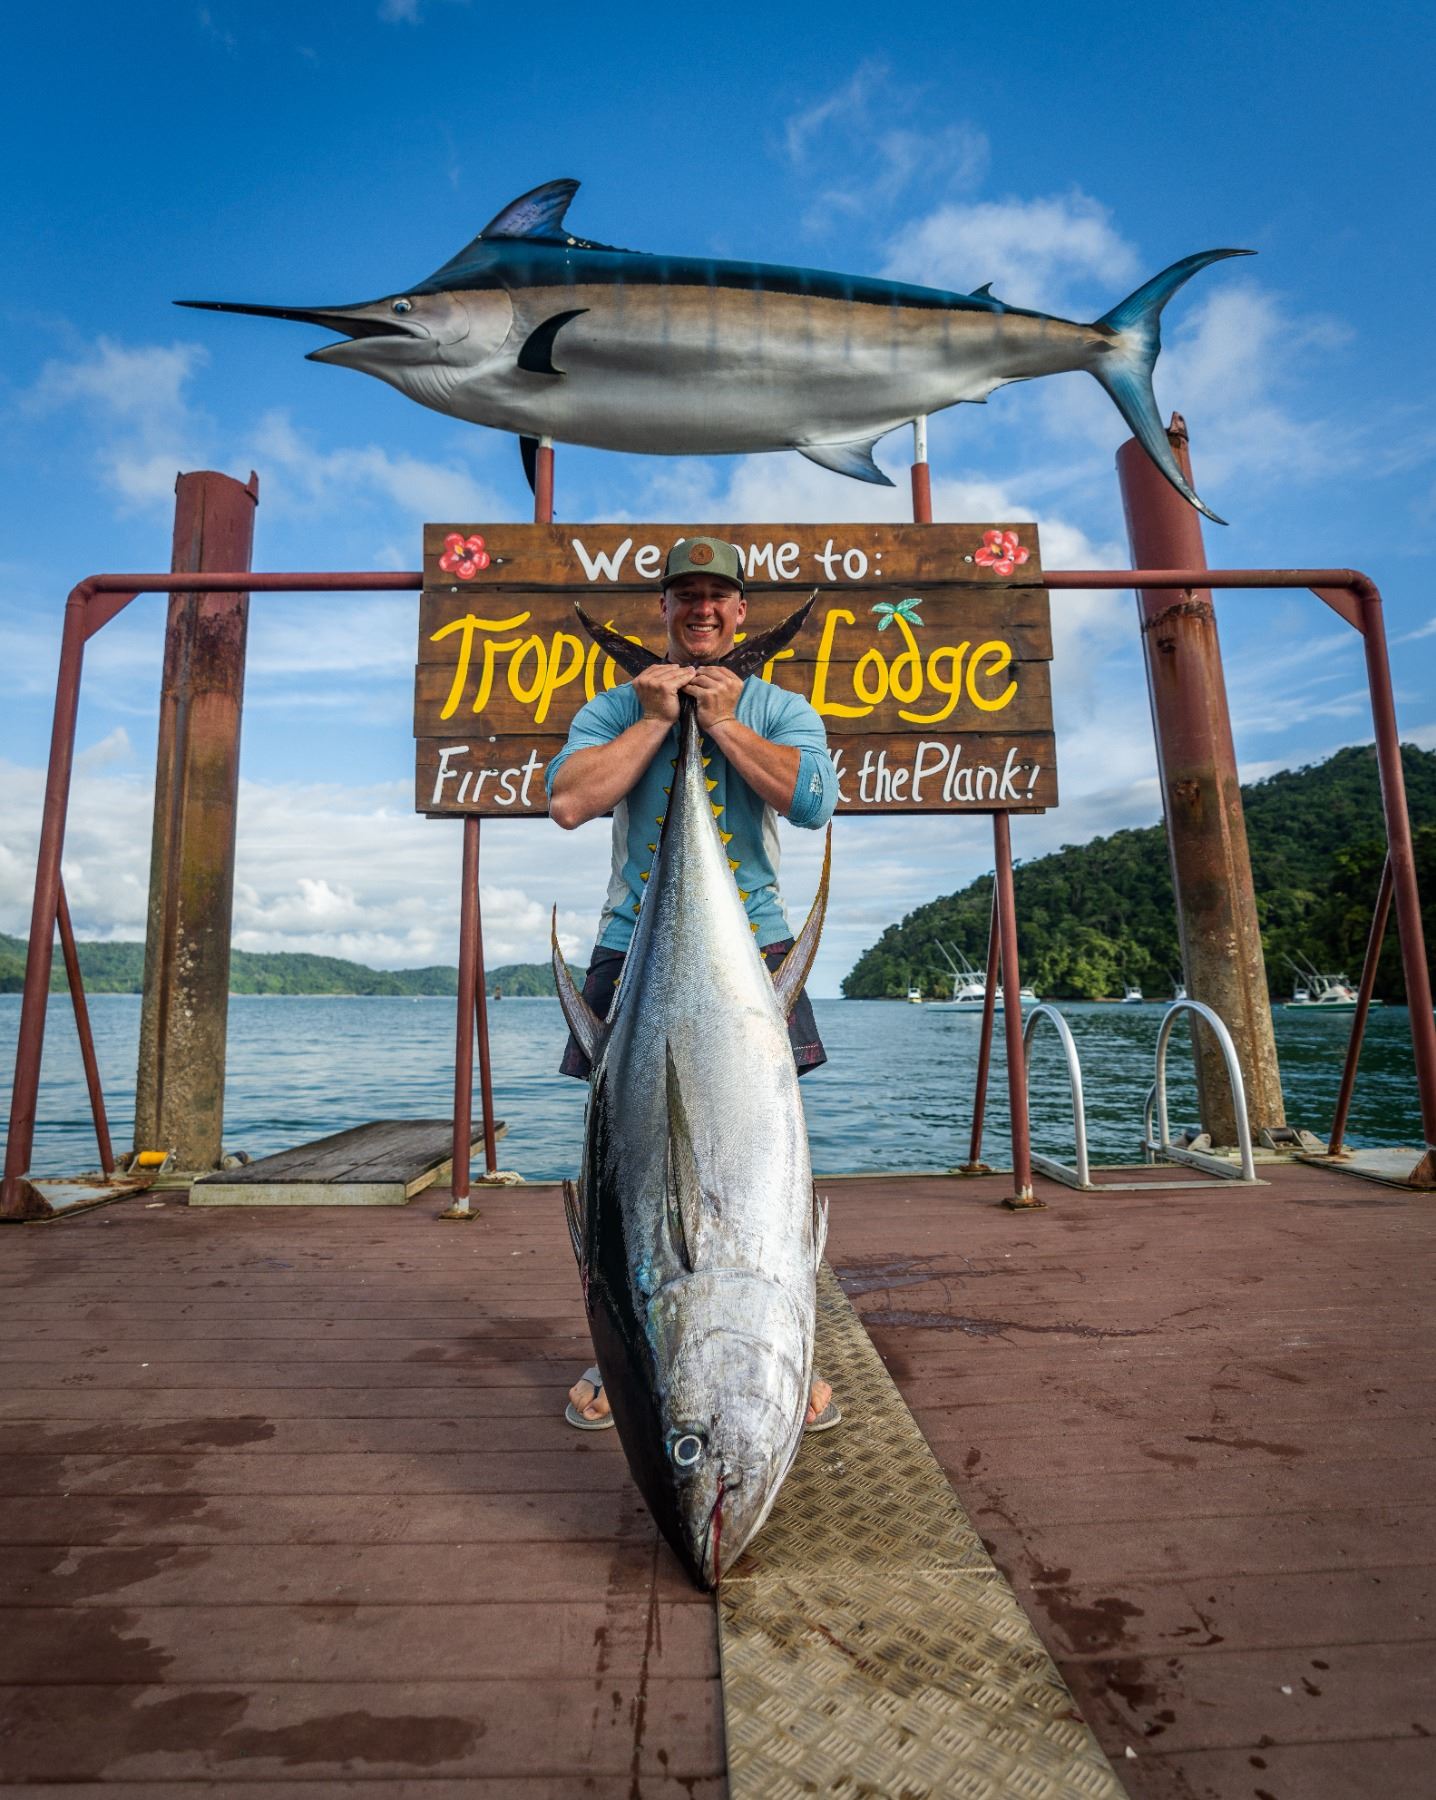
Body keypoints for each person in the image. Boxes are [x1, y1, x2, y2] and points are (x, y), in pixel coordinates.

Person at [547, 535, 839, 1432]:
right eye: (686, 596)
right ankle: (623, 1347)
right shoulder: (614, 705)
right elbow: (569, 801)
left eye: (718, 596)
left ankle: (791, 1342)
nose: (702, 609)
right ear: (665, 609)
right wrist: (652, 719)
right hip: (631, 945)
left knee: (764, 1149)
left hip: (757, 949)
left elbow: (814, 801)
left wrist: (721, 722)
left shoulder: (778, 705)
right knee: (627, 1161)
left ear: (741, 611)